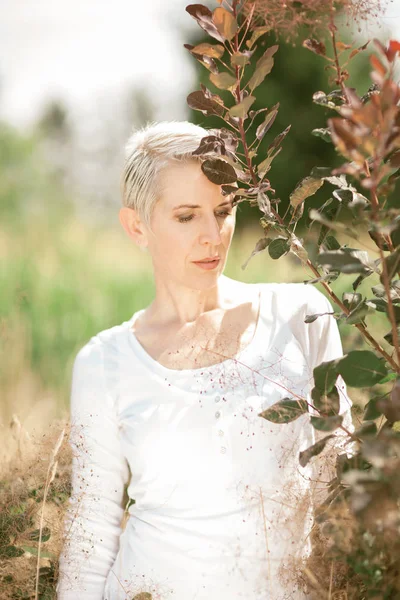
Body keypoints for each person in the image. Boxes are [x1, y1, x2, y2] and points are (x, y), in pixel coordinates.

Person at [56, 120, 354, 600]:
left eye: (223, 209)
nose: (213, 236)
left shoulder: (301, 316)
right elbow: (92, 524)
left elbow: (338, 483)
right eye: (186, 216)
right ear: (137, 226)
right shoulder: (105, 363)